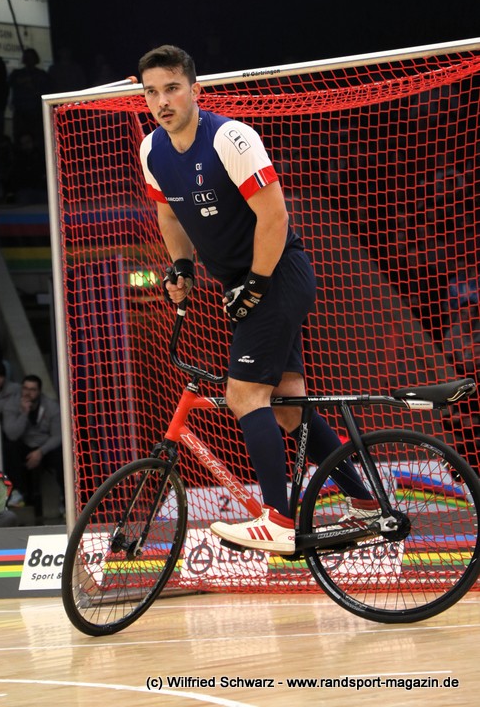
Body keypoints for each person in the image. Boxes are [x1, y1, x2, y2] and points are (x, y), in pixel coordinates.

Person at [138, 45, 380, 555]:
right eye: (152, 92)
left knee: (245, 395)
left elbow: (275, 217)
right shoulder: (151, 150)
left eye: (172, 88)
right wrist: (182, 266)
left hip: (278, 274)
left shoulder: (231, 138)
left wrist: (256, 284)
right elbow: (169, 215)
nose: (162, 101)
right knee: (289, 409)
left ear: (195, 90)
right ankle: (365, 503)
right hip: (243, 284)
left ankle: (278, 519)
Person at [2, 374, 64, 509]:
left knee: (61, 454)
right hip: (23, 444)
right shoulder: (11, 404)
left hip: (44, 446)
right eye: (25, 388)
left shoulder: (51, 406)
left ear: (39, 391)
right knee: (9, 447)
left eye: (32, 389)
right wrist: (24, 413)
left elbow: (58, 436)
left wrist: (40, 452)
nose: (28, 393)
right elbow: (12, 435)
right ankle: (17, 493)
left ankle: (65, 499)